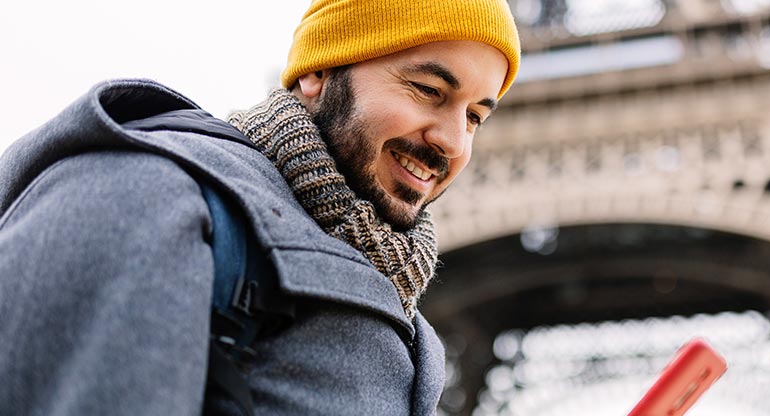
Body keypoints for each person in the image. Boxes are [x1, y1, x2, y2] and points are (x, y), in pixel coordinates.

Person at [0, 0, 520, 414]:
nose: (453, 141)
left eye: (475, 117)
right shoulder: (144, 194)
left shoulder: (405, 316)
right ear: (318, 72)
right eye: (428, 89)